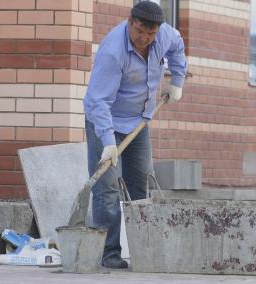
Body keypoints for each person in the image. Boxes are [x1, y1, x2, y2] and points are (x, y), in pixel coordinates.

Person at [83, 1, 187, 269]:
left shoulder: (165, 35)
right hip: (105, 122)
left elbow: (177, 45)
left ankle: (144, 250)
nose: (144, 39)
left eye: (150, 34)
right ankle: (109, 255)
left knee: (140, 185)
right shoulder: (113, 51)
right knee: (106, 188)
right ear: (130, 21)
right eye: (140, 32)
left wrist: (177, 81)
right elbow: (98, 102)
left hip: (139, 122)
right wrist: (107, 142)